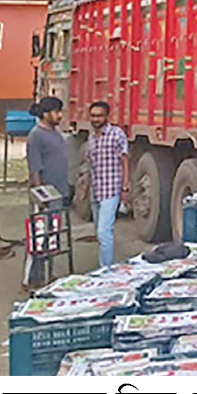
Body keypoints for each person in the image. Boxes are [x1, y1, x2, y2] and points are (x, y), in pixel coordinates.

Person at [24, 96, 70, 288]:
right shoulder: (36, 135)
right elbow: (34, 167)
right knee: (38, 238)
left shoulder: (55, 134)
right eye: (56, 112)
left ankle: (48, 274)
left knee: (52, 237)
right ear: (45, 113)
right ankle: (32, 278)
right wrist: (39, 195)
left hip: (58, 193)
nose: (60, 115)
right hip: (45, 195)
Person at [85, 101, 129, 268]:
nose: (96, 119)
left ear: (107, 117)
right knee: (99, 233)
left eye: (99, 116)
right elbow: (91, 165)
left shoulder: (116, 134)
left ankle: (106, 270)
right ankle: (105, 264)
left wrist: (125, 188)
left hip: (111, 190)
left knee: (104, 233)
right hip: (95, 190)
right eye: (93, 116)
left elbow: (125, 161)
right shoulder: (91, 137)